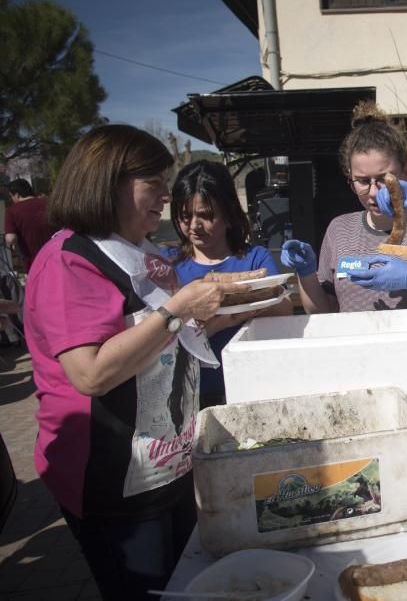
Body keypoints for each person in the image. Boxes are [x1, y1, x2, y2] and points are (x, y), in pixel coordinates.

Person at [24, 125, 248, 599]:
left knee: (183, 584)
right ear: (110, 181)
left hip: (167, 468)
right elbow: (91, 374)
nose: (166, 195)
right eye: (154, 181)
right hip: (111, 481)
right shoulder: (69, 261)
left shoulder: (146, 256)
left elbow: (166, 338)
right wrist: (178, 308)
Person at [280, 102, 407, 335]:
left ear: (406, 171)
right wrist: (306, 274)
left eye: (384, 178)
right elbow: (323, 312)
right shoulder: (339, 230)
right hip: (356, 362)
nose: (373, 192)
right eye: (362, 181)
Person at [164, 159, 293, 409]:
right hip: (187, 396)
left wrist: (233, 305)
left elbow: (284, 306)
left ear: (229, 214)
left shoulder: (255, 258)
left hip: (246, 390)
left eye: (205, 216)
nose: (193, 226)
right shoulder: (167, 263)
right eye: (184, 216)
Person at [4, 177, 55, 273]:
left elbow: (10, 239)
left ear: (17, 195)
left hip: (35, 262)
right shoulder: (49, 203)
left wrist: (11, 243)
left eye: (11, 196)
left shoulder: (12, 211)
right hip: (58, 255)